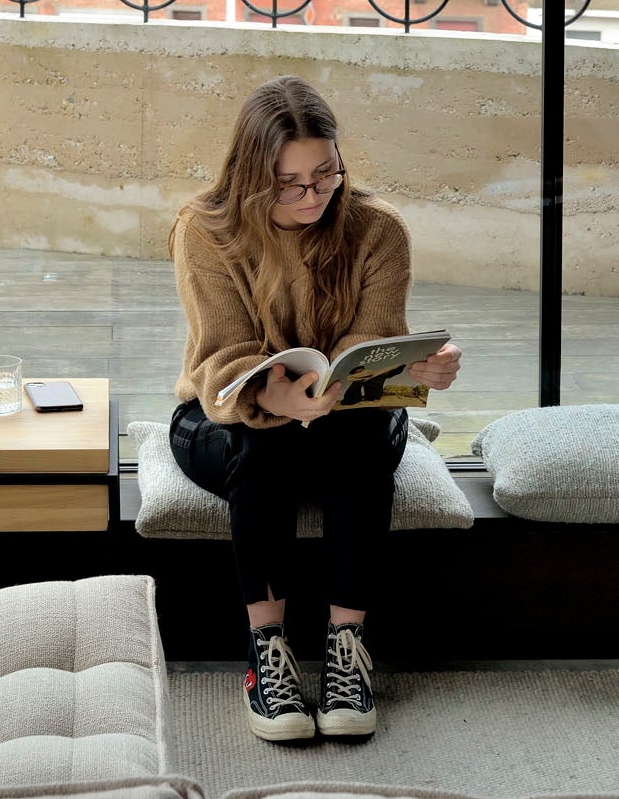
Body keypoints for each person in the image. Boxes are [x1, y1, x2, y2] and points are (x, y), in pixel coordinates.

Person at [168, 74, 461, 743]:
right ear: (252, 174)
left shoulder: (375, 228)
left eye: (325, 175)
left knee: (355, 439)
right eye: (291, 183)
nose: (313, 195)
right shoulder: (206, 229)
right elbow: (221, 355)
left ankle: (344, 649)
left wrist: (420, 366)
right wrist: (269, 393)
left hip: (346, 425)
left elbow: (373, 339)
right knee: (266, 445)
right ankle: (265, 653)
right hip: (227, 417)